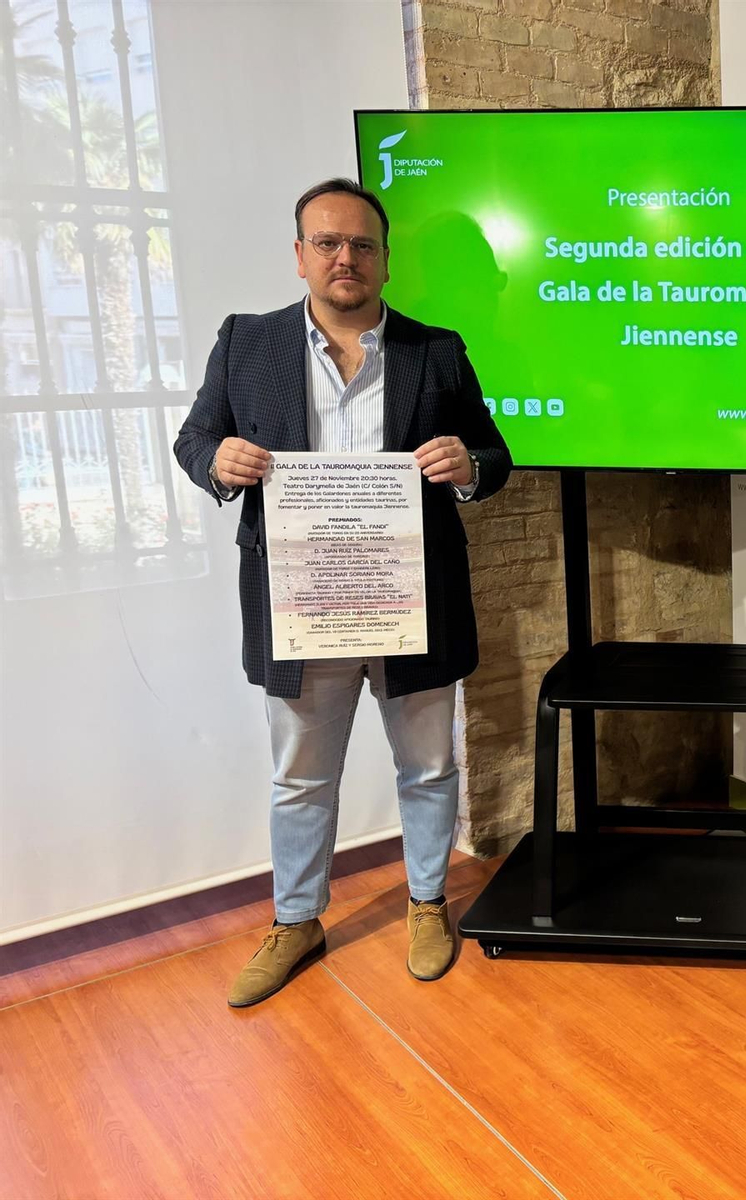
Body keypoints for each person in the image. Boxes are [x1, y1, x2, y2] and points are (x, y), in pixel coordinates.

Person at [174, 178, 511, 1008]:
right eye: (326, 243)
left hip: (413, 603)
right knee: (299, 776)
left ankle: (427, 903)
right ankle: (297, 919)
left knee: (429, 768)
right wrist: (217, 463)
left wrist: (468, 470)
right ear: (300, 256)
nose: (344, 257)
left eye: (361, 243)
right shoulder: (246, 344)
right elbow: (194, 438)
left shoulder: (438, 350)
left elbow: (494, 454)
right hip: (303, 606)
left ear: (386, 259)